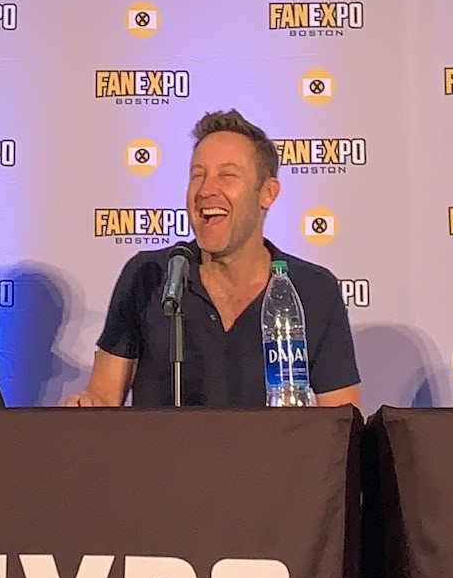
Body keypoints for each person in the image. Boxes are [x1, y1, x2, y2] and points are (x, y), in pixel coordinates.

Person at [65, 108, 360, 408]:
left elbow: (339, 425)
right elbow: (103, 398)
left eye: (227, 176)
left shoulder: (313, 289)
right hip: (164, 456)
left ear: (268, 193)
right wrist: (86, 403)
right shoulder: (148, 275)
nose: (206, 190)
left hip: (274, 456)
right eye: (198, 176)